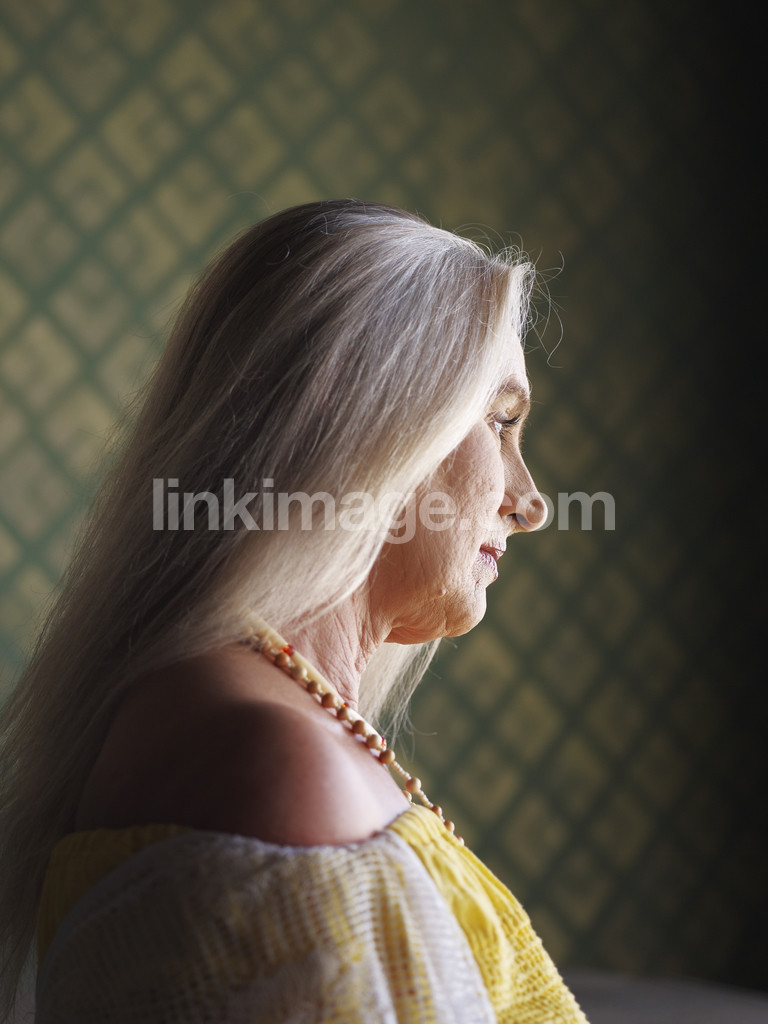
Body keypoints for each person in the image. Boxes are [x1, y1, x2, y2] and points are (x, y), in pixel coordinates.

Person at [0, 200, 589, 1022]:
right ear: (365, 418)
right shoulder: (281, 767)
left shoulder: (227, 724)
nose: (530, 502)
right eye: (500, 421)